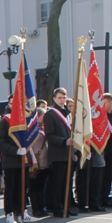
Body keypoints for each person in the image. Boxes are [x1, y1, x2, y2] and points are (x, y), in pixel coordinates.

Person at [44, 87, 74, 215]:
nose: (62, 100)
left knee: (68, 182)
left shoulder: (68, 113)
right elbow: (49, 135)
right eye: (60, 98)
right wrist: (63, 141)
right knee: (58, 182)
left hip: (69, 153)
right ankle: (57, 207)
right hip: (58, 153)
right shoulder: (50, 114)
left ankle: (67, 206)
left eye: (64, 97)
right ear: (54, 98)